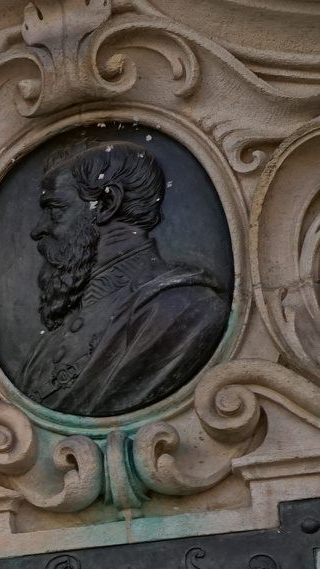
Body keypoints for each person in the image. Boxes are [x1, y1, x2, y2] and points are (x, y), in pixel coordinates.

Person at [17, 140, 228, 416]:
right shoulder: (56, 334)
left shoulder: (187, 309)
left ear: (106, 203)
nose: (38, 229)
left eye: (55, 209)